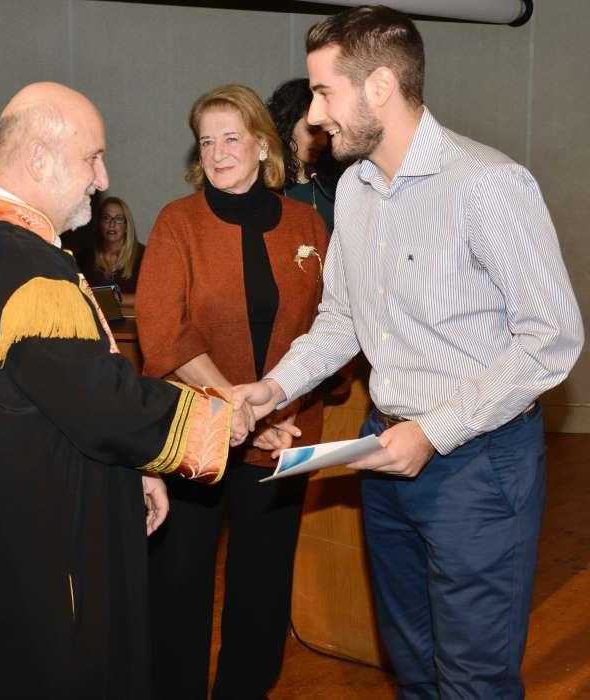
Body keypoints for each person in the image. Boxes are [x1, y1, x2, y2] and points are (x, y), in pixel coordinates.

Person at [245, 6, 584, 698]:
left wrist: (432, 431)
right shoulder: (357, 189)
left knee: (472, 681)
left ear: (380, 87)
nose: (313, 115)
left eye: (324, 92)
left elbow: (552, 338)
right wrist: (273, 388)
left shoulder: (487, 184)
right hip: (383, 454)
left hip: (478, 466)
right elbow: (342, 321)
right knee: (413, 667)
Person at [0, 81, 254, 699]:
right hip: (47, 545)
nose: (102, 179)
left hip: (11, 519)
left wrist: (136, 470)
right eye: (93, 158)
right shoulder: (23, 267)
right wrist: (219, 417)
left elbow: (61, 396)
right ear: (39, 158)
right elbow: (103, 401)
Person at [136, 83, 330, 699]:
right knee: (180, 583)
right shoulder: (178, 222)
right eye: (206, 142)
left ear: (262, 145)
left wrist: (273, 411)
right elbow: (163, 332)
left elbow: (329, 329)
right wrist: (238, 408)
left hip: (285, 435)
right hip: (195, 433)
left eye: (230, 138)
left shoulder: (306, 223)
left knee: (263, 588)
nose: (217, 153)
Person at [267, 77, 337, 232]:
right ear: (287, 125)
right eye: (313, 130)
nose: (323, 141)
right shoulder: (264, 186)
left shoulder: (334, 187)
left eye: (327, 131)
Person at [76, 196, 144, 303]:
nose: (112, 224)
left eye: (119, 219)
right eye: (106, 218)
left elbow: (152, 298)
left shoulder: (144, 256)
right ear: (100, 223)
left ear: (126, 226)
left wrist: (116, 299)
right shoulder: (84, 258)